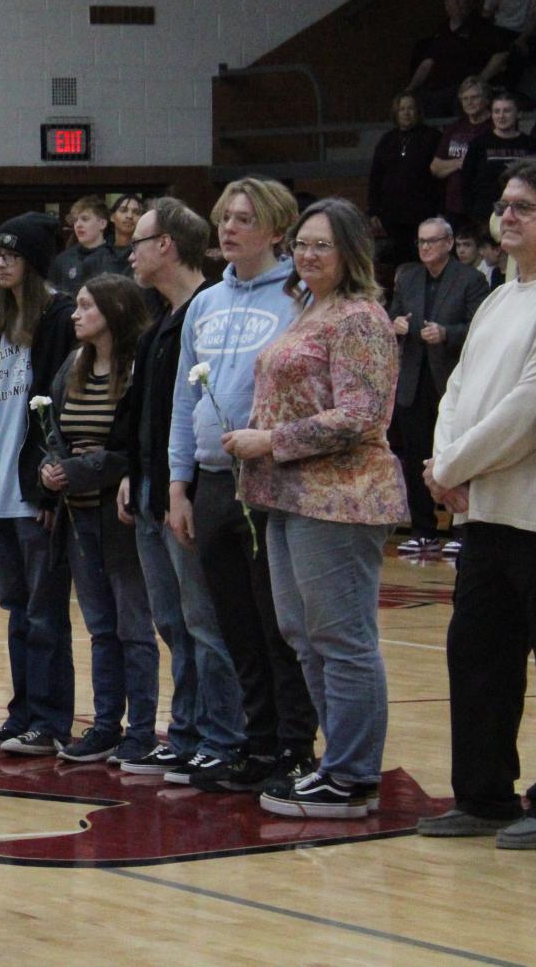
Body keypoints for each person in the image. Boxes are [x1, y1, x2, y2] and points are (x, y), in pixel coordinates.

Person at [217, 198, 403, 819]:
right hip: (287, 496)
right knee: (302, 635)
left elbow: (361, 414)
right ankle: (335, 765)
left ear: (351, 252)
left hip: (341, 498)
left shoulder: (360, 317)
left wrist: (270, 440)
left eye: (323, 245)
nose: (308, 254)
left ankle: (352, 775)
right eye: (302, 244)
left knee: (341, 638)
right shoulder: (309, 309)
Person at [167, 178, 318, 792]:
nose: (228, 229)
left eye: (245, 219)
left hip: (270, 478)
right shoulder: (204, 303)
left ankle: (294, 745)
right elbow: (184, 398)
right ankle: (256, 744)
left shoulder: (300, 297)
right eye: (225, 218)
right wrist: (178, 482)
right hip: (209, 480)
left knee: (275, 620)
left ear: (278, 231)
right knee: (233, 623)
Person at [418, 158, 536, 849]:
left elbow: (525, 411)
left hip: (527, 508)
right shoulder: (496, 299)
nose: (508, 215)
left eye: (523, 204)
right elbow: (456, 391)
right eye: (504, 205)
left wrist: (454, 463)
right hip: (485, 513)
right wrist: (441, 463)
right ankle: (482, 794)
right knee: (477, 653)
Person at [121, 198, 246, 779]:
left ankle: (223, 735)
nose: (132, 252)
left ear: (166, 245)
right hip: (152, 490)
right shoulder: (161, 323)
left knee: (204, 622)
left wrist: (181, 488)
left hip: (189, 494)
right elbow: (150, 413)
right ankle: (190, 728)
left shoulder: (206, 314)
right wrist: (134, 473)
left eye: (140, 240)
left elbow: (197, 413)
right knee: (172, 623)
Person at [42, 274, 157, 764]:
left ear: (113, 310)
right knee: (100, 628)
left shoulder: (136, 369)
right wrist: (48, 469)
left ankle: (143, 731)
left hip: (121, 515)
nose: (75, 313)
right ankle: (106, 725)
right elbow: (52, 431)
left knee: (134, 627)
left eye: (86, 305)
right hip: (77, 516)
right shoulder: (73, 365)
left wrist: (81, 469)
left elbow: (133, 449)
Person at [0, 212, 77, 754]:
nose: (1, 262)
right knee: (16, 610)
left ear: (34, 262)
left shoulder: (58, 319)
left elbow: (62, 409)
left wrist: (49, 487)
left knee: (44, 612)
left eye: (11, 254)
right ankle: (22, 712)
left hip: (35, 490)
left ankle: (52, 720)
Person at [389, 218, 487, 556]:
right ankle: (423, 530)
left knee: (455, 454)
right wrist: (397, 323)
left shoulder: (470, 280)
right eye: (420, 242)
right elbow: (394, 314)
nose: (425, 248)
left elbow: (480, 326)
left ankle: (460, 528)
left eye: (432, 241)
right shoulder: (409, 278)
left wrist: (447, 333)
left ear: (448, 243)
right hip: (414, 381)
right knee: (416, 456)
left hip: (452, 380)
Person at [368, 93, 444, 271]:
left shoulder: (432, 137)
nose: (406, 113)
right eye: (402, 109)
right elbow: (376, 177)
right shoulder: (387, 140)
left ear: (418, 111)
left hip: (424, 213)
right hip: (393, 216)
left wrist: (440, 209)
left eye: (411, 108)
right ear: (396, 113)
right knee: (399, 261)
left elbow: (440, 179)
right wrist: (373, 210)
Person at [408, 0, 508, 118]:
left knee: (463, 99)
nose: (456, 2)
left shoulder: (482, 27)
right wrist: (409, 89)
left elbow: (501, 54)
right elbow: (427, 63)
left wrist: (480, 80)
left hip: (464, 88)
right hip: (437, 89)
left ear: (469, 0)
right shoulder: (441, 31)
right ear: (446, 4)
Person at [459, 91, 536, 229]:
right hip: (484, 217)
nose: (501, 116)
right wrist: (472, 214)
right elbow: (466, 181)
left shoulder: (530, 145)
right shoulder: (479, 144)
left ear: (518, 114)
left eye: (507, 111)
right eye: (496, 111)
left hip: (522, 218)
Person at [430, 77, 494, 223]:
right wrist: (461, 163)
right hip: (455, 206)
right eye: (465, 99)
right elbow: (435, 168)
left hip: (485, 204)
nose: (469, 102)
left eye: (474, 97)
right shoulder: (454, 128)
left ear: (486, 99)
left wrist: (455, 164)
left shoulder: (495, 127)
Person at [479, 0, 535, 86]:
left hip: (526, 32)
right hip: (501, 31)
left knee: (518, 52)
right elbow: (486, 17)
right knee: (502, 49)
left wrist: (522, 39)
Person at [49, 196, 122, 288]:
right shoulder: (63, 260)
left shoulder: (115, 257)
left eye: (85, 219)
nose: (78, 225)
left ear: (102, 224)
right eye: (75, 220)